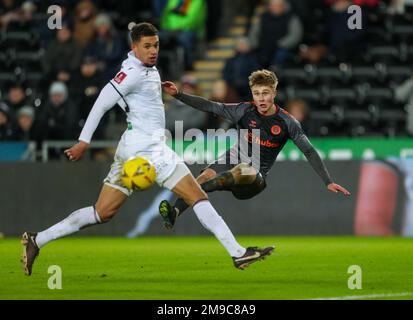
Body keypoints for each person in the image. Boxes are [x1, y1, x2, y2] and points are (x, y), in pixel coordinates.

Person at [21, 22, 274, 276]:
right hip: (140, 151)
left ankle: (37, 240)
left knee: (112, 211)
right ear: (134, 47)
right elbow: (101, 103)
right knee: (179, 199)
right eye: (147, 46)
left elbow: (130, 101)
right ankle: (238, 253)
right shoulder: (130, 73)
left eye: (156, 45)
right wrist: (84, 141)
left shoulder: (146, 69)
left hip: (149, 148)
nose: (153, 50)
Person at [159, 69, 351, 229]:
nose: (261, 98)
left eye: (266, 93)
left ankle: (197, 190)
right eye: (257, 93)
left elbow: (309, 151)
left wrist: (328, 181)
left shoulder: (287, 122)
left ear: (274, 93)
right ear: (253, 94)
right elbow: (210, 106)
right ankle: (175, 212)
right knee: (206, 174)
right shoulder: (243, 110)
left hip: (254, 179)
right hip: (233, 158)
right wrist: (178, 94)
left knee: (242, 170)